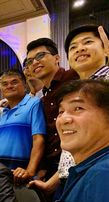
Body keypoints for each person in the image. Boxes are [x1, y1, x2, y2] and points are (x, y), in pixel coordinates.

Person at [30, 25, 109, 194]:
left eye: (88, 42)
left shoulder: (106, 82)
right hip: (71, 178)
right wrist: (51, 184)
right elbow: (70, 153)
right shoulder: (75, 90)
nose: (80, 49)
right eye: (73, 47)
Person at [44, 80, 109, 202]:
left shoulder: (103, 175)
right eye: (60, 111)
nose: (64, 119)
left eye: (78, 108)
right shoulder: (84, 170)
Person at [25, 38, 79, 180]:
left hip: (79, 162)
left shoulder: (75, 77)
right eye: (29, 61)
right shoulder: (43, 98)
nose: (34, 62)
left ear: (57, 58)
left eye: (40, 56)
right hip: (53, 168)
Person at [0, 69, 46, 183]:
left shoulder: (34, 103)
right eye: (4, 84)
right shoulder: (3, 112)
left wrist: (30, 171)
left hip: (23, 175)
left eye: (14, 82)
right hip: (3, 175)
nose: (9, 86)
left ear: (24, 84)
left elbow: (39, 139)